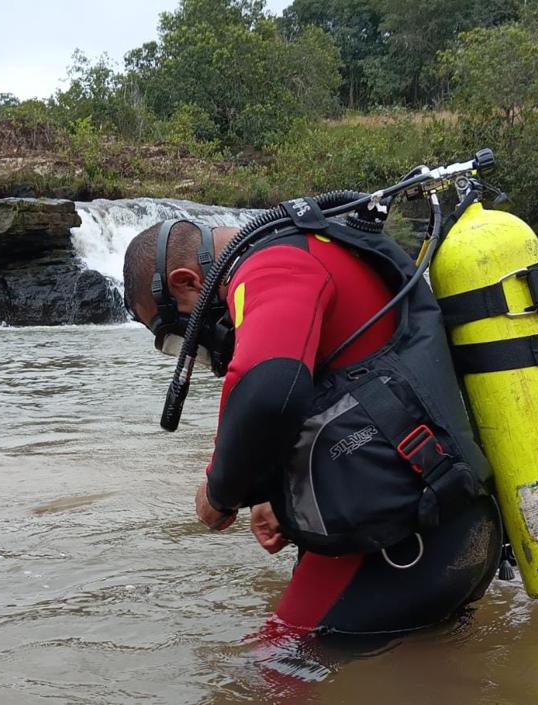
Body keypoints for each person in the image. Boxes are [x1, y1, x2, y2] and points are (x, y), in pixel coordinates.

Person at [123, 219, 501, 636]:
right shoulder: (310, 247)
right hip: (444, 518)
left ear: (185, 282)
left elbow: (267, 391)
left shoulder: (271, 265)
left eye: (180, 335)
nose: (195, 347)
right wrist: (270, 493)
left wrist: (220, 494)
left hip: (404, 540)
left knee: (269, 675)